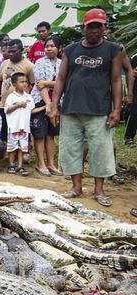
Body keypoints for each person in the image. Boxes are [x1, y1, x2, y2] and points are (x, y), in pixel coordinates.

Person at [49, 8, 123, 207]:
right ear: (84, 28)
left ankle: (99, 190)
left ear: (105, 28)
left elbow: (116, 80)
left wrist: (116, 109)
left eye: (99, 27)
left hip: (99, 109)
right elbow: (61, 78)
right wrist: (54, 106)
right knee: (71, 148)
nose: (94, 31)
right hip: (71, 108)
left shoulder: (112, 49)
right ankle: (76, 187)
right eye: (91, 27)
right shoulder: (72, 50)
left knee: (100, 150)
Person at [30, 36, 63, 176]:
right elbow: (39, 84)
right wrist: (48, 105)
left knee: (51, 134)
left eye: (52, 46)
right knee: (40, 134)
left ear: (59, 48)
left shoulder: (63, 63)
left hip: (58, 102)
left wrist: (49, 83)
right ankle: (41, 163)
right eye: (47, 46)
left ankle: (51, 163)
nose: (49, 48)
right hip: (40, 101)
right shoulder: (39, 62)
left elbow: (65, 83)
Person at [0, 39, 35, 142]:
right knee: (3, 131)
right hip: (3, 105)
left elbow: (34, 85)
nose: (11, 54)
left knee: (19, 131)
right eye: (9, 51)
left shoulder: (29, 66)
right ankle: (6, 153)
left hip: (20, 106)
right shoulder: (4, 63)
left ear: (21, 50)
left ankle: (23, 153)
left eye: (14, 51)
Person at [5, 72, 35, 176]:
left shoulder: (29, 97)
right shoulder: (11, 97)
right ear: (14, 84)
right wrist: (18, 105)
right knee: (12, 147)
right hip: (14, 126)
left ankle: (20, 166)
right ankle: (11, 164)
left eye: (26, 81)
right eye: (21, 82)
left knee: (22, 147)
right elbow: (7, 109)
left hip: (24, 128)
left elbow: (31, 110)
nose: (25, 84)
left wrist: (45, 108)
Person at [124, 55, 137, 145]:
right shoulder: (136, 57)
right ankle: (129, 137)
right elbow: (130, 72)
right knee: (134, 113)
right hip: (136, 91)